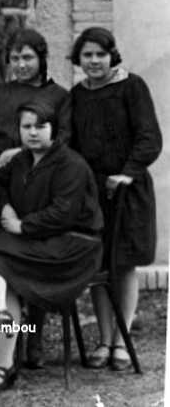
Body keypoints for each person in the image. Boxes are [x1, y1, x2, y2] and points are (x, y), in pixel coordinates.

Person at [0, 101, 104, 394]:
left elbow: (63, 213)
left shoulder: (71, 164)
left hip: (72, 249)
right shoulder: (21, 161)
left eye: (40, 126)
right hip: (42, 244)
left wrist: (22, 226)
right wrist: (5, 205)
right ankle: (1, 359)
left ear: (54, 130)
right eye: (26, 127)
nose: (33, 133)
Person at [68, 27, 162, 371]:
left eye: (100, 54)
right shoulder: (77, 95)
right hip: (93, 193)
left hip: (127, 190)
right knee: (98, 263)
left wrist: (128, 172)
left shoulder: (132, 87)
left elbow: (149, 137)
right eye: (87, 55)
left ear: (112, 56)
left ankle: (122, 341)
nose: (93, 61)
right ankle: (104, 339)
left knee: (123, 264)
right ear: (78, 58)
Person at [0, 28, 72, 172]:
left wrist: (21, 154)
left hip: (43, 174)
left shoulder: (59, 96)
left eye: (27, 58)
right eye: (15, 58)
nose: (21, 65)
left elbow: (63, 140)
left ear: (41, 58)